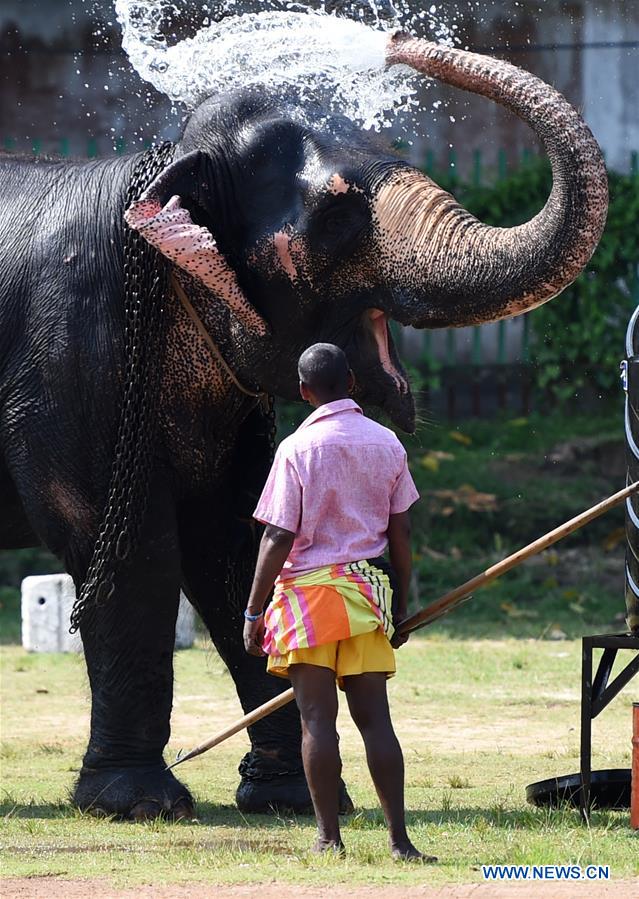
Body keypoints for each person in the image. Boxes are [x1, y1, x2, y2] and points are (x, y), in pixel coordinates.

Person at [243, 343, 435, 862]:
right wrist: (399, 600)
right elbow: (401, 533)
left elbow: (278, 535)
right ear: (351, 381)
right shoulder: (387, 443)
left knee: (316, 722)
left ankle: (329, 838)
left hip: (306, 602)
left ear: (304, 392)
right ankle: (399, 841)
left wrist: (253, 610)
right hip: (366, 598)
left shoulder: (296, 450)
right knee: (376, 722)